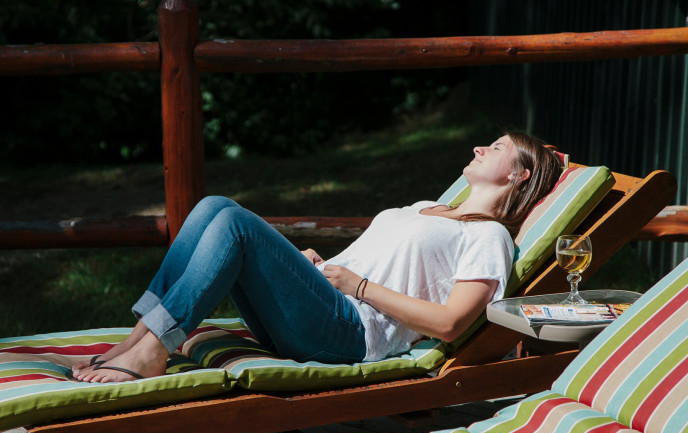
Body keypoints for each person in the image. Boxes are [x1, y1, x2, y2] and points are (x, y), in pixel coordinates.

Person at [72, 131, 563, 383]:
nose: (479, 146)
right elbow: (370, 259)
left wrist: (358, 287)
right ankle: (138, 338)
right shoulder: (427, 208)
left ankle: (153, 352)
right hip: (326, 304)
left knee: (236, 224)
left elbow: (453, 323)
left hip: (351, 333)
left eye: (496, 148)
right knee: (213, 207)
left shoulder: (489, 237)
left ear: (518, 176)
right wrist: (314, 265)